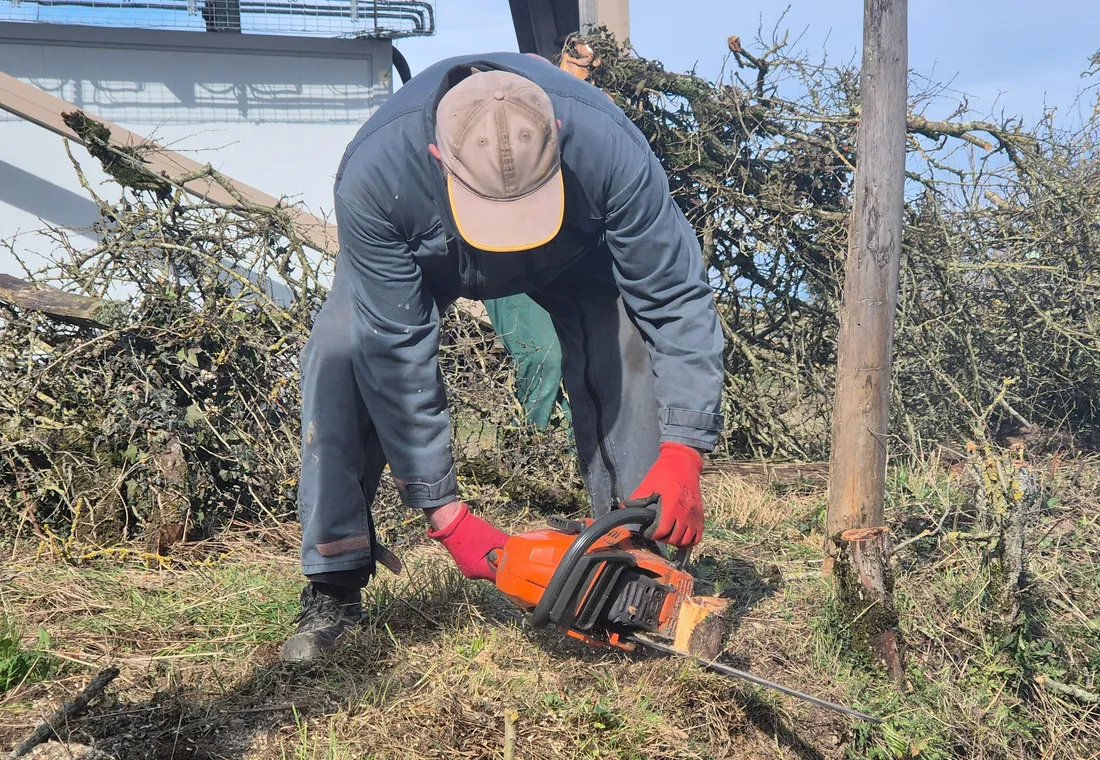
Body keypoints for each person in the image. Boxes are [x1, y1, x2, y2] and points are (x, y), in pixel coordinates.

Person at [280, 52, 726, 663]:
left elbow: (674, 299)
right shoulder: (375, 174)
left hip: (576, 255)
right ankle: (334, 584)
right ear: (439, 159)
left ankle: (634, 568)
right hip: (431, 258)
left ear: (560, 139)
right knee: (342, 349)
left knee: (625, 336)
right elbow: (397, 353)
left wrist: (685, 450)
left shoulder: (610, 146)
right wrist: (446, 514)